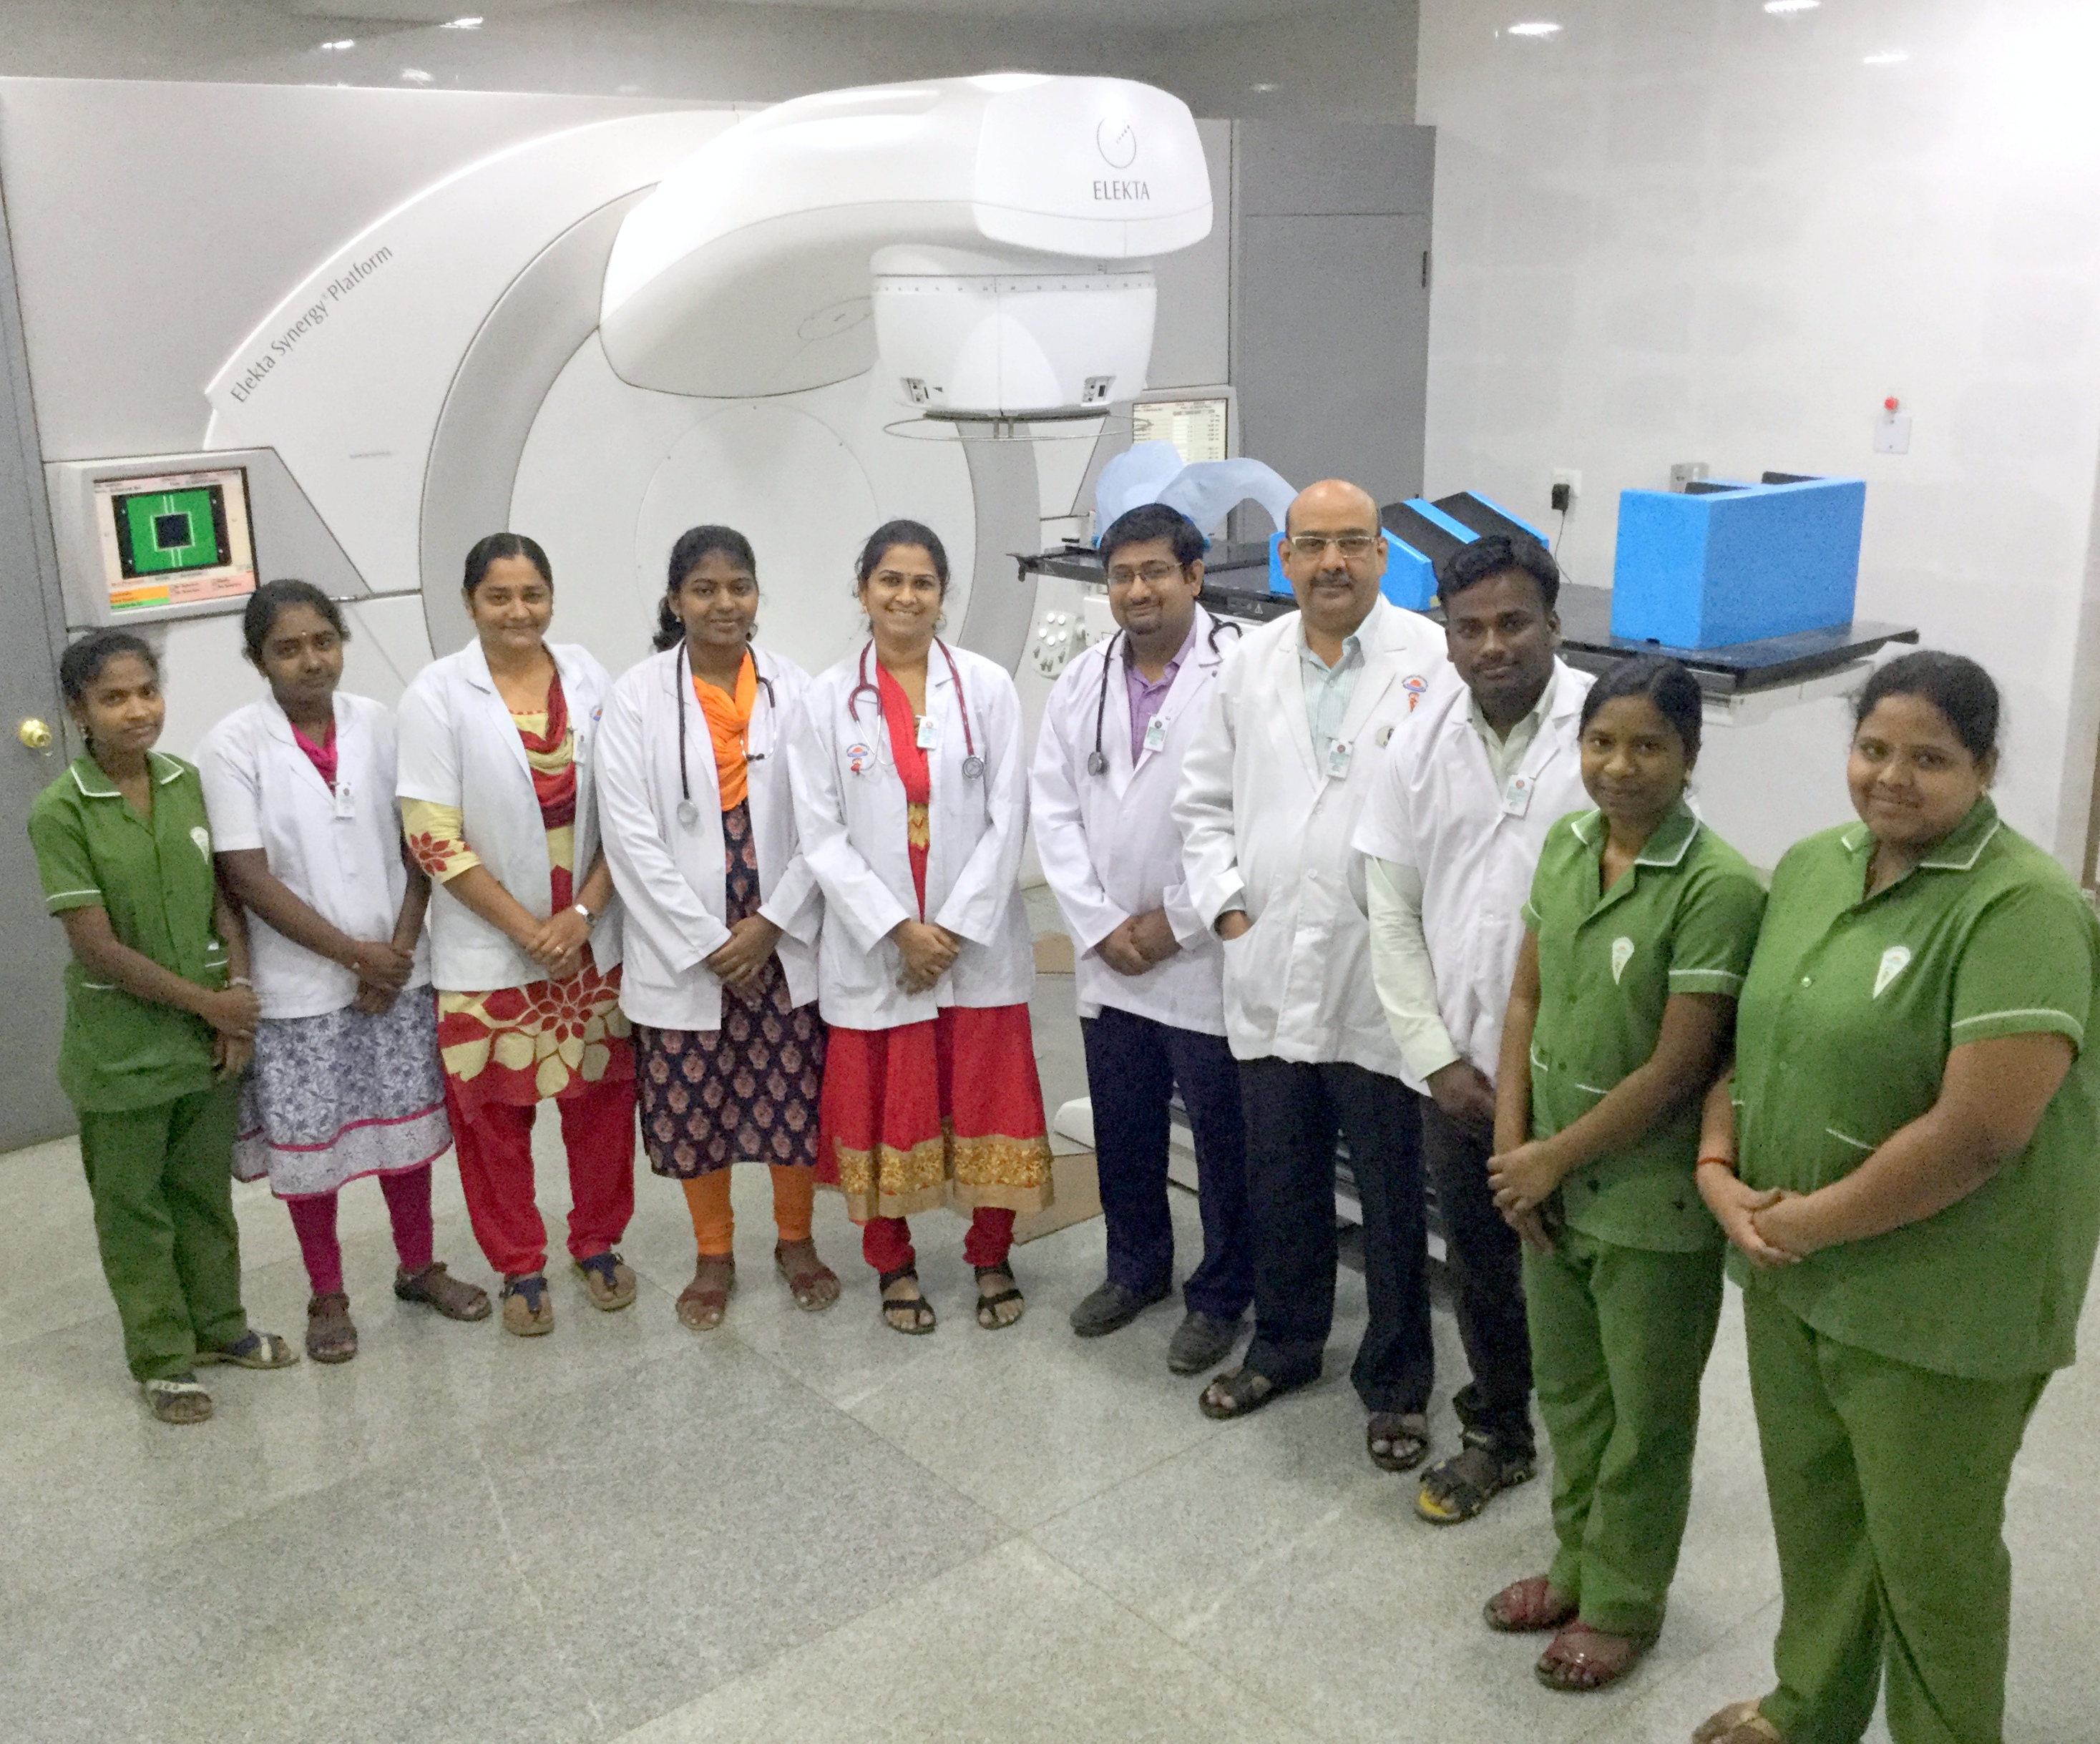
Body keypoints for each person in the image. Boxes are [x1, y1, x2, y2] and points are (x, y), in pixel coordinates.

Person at [1692, 652, 2100, 1744]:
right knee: (1817, 1514)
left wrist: (1801, 1222)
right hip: (1794, 1274)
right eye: (1872, 749)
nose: (1890, 777)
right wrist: (1715, 1166)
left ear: (1985, 767)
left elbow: (1978, 1132)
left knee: (1930, 1557)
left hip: (1941, 1299)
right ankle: (1807, 1708)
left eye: (1929, 758)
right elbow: (1752, 1036)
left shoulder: (2021, 906)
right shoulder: (1812, 866)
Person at [1481, 655, 1765, 1693]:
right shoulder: (1566, 843)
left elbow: (1679, 1065)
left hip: (1647, 1203)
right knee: (1570, 1397)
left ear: (1689, 754)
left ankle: (1622, 1600)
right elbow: (1523, 998)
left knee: (1645, 1417)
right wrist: (1513, 1148)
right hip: (1544, 1183)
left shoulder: (1717, 885)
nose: (1619, 764)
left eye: (1648, 745)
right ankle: (1573, 1565)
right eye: (1601, 741)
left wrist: (1549, 1156)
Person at [1173, 478, 1450, 1469]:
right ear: (1284, 558)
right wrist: (1227, 908)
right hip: (1268, 958)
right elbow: (1200, 802)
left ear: (1381, 555)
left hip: (1379, 974)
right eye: (1313, 544)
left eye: (1352, 542)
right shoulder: (1245, 664)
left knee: (1390, 1192)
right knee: (1280, 1176)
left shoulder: (1432, 661)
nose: (1332, 561)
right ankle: (1285, 1344)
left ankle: (1397, 1381)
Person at [1357, 532, 1591, 1523]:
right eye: (1469, 627)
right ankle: (1498, 1431)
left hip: (1584, 1074)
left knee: (1585, 1272)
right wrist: (1436, 1059)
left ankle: (1605, 1458)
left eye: (1512, 622)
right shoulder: (1416, 741)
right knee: (1484, 1269)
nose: (1491, 645)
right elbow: (1390, 909)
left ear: (1552, 624)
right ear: (1445, 637)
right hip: (1461, 1072)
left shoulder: (1607, 732)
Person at [200, 580, 489, 1362]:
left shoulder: (383, 724)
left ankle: (418, 1265)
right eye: (287, 648)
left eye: (322, 641)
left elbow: (421, 843)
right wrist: (355, 955)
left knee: (404, 1131)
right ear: (257, 659)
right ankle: (326, 1293)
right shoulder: (231, 745)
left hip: (395, 972)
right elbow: (246, 876)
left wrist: (396, 952)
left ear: (341, 642)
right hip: (298, 989)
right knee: (311, 1149)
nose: (310, 661)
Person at [788, 518, 1053, 1335]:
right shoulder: (824, 701)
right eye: (890, 580)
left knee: (987, 1099)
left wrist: (955, 929)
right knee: (881, 1108)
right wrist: (899, 928)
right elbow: (819, 834)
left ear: (943, 595)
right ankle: (892, 1263)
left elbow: (1009, 814)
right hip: (879, 952)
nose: (906, 596)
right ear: (863, 590)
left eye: (922, 582)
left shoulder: (986, 688)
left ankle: (990, 1254)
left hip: (974, 950)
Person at [27, 629, 298, 1424]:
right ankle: (163, 1359)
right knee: (135, 1212)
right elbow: (98, 947)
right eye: (113, 698)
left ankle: (221, 1327)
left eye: (147, 691)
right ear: (78, 710)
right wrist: (209, 1004)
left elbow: (225, 900)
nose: (137, 710)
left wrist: (236, 997)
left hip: (206, 1042)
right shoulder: (61, 811)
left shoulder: (186, 782)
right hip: (122, 1053)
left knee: (204, 1197)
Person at [395, 532, 635, 1337]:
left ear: (552, 597)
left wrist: (583, 916)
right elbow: (431, 836)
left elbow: (628, 811)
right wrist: (531, 931)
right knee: (494, 1121)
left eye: (532, 594)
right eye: (498, 596)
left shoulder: (588, 675)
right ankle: (519, 1264)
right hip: (490, 947)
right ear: (470, 603)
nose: (518, 611)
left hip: (590, 940)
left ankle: (597, 1242)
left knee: (601, 1105)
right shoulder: (436, 694)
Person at [597, 525, 833, 1331]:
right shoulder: (635, 697)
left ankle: (795, 1240)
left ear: (757, 594)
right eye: (704, 589)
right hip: (685, 947)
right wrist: (708, 941)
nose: (723, 603)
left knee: (791, 1097)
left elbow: (823, 825)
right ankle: (713, 1253)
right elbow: (628, 836)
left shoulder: (798, 689)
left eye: (739, 586)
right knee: (696, 1105)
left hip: (781, 938)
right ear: (675, 601)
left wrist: (770, 923)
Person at [1032, 502, 1251, 1374]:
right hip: (1109, 956)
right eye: (1121, 574)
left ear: (1194, 576)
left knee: (1223, 1140)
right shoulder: (1082, 680)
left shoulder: (1241, 670)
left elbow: (1254, 814)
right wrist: (1097, 924)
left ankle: (1221, 1294)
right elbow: (1053, 809)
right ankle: (1134, 1269)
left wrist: (1177, 921)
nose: (1137, 589)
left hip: (1200, 954)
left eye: (1155, 570)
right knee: (1124, 1128)